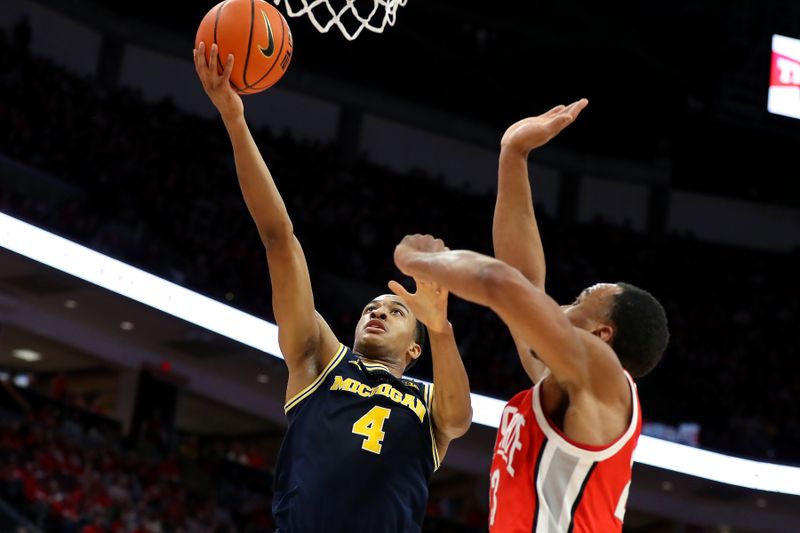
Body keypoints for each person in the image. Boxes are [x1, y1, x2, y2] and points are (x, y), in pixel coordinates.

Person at [193, 43, 473, 533]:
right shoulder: (320, 360)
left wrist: (441, 327)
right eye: (373, 305)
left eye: (396, 310)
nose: (379, 310)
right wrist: (234, 119)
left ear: (414, 348)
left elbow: (459, 420)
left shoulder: (429, 402)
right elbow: (279, 239)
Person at [392, 99, 669, 531]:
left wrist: (415, 261)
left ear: (604, 334)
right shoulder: (568, 384)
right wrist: (513, 155)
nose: (560, 305)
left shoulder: (600, 376)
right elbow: (524, 281)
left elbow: (503, 284)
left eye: (579, 300)